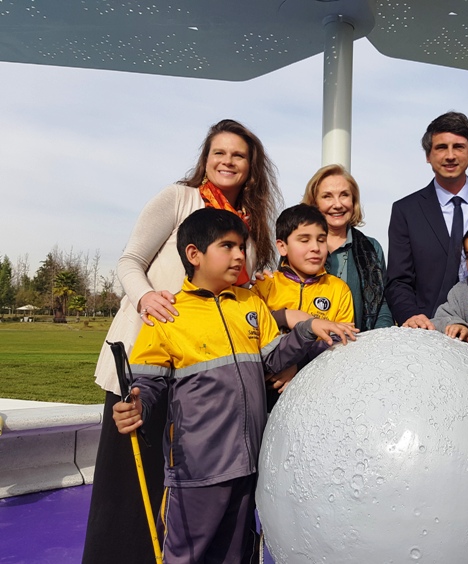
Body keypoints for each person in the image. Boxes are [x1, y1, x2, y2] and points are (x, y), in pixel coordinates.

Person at [83, 119, 281, 564]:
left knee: (181, 490)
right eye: (219, 153)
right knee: (130, 485)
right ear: (205, 159)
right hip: (144, 358)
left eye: (239, 156)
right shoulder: (178, 198)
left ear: (252, 168)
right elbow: (130, 259)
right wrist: (146, 296)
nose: (228, 162)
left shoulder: (246, 226)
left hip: (200, 378)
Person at [112, 208, 357, 563]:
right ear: (194, 254)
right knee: (189, 556)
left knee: (237, 554)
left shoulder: (250, 303)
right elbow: (147, 387)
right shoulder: (169, 315)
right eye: (227, 246)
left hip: (248, 466)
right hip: (197, 471)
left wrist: (307, 329)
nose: (240, 255)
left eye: (241, 246)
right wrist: (136, 406)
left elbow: (272, 360)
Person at [385, 111, 468, 329]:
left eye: (458, 147)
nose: (450, 156)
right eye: (441, 147)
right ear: (428, 155)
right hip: (429, 329)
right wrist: (411, 315)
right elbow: (399, 280)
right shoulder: (405, 210)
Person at [251, 204, 355, 396]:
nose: (315, 248)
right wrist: (284, 316)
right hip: (266, 393)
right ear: (282, 246)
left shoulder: (338, 290)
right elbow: (250, 334)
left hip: (317, 391)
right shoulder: (265, 286)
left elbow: (342, 343)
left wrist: (297, 365)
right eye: (304, 240)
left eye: (321, 240)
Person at [302, 164, 393, 331]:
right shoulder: (300, 247)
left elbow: (382, 303)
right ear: (314, 204)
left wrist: (379, 340)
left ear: (353, 201)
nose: (337, 205)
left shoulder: (371, 248)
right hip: (311, 348)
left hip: (361, 348)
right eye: (327, 196)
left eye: (344, 195)